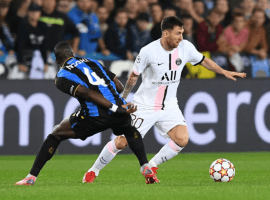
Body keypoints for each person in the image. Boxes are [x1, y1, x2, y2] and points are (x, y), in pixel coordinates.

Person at [84, 16, 246, 183]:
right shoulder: (148, 51)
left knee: (182, 139)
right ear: (166, 33)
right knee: (122, 142)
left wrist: (224, 71)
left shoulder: (185, 47)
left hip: (169, 105)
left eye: (182, 33)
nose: (181, 37)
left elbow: (204, 61)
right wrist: (123, 98)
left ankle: (152, 166)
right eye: (177, 33)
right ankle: (93, 171)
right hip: (144, 106)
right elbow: (133, 77)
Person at [15, 41, 159, 185]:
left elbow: (86, 93)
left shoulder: (62, 76)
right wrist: (118, 106)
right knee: (129, 130)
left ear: (57, 60)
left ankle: (31, 177)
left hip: (96, 116)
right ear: (72, 53)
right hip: (120, 108)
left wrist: (112, 108)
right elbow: (119, 86)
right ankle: (145, 166)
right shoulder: (92, 61)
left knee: (56, 133)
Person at [16, 3, 48, 74]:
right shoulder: (23, 27)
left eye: (36, 11)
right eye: (32, 11)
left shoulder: (43, 27)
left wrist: (45, 62)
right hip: (26, 55)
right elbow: (20, 46)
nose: (34, 14)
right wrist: (20, 62)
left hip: (39, 57)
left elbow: (44, 46)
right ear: (28, 13)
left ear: (40, 13)